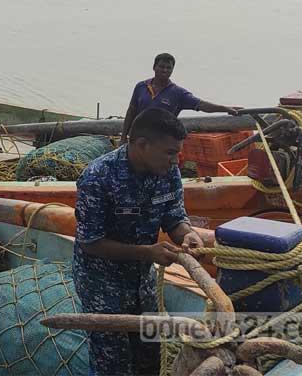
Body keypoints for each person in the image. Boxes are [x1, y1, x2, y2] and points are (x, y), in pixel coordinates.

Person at [73, 107, 204, 376]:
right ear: (141, 144)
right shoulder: (98, 177)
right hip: (101, 285)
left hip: (141, 282)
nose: (176, 160)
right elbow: (90, 242)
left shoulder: (168, 171)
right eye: (170, 152)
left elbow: (173, 215)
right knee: (113, 364)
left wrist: (187, 234)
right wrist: (147, 252)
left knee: (150, 355)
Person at [120, 53, 240, 143]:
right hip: (138, 139)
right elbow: (131, 111)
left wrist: (226, 108)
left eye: (168, 68)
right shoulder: (141, 86)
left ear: (172, 70)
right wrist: (123, 137)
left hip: (161, 142)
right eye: (161, 67)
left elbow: (202, 105)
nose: (165, 70)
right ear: (154, 67)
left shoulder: (178, 93)